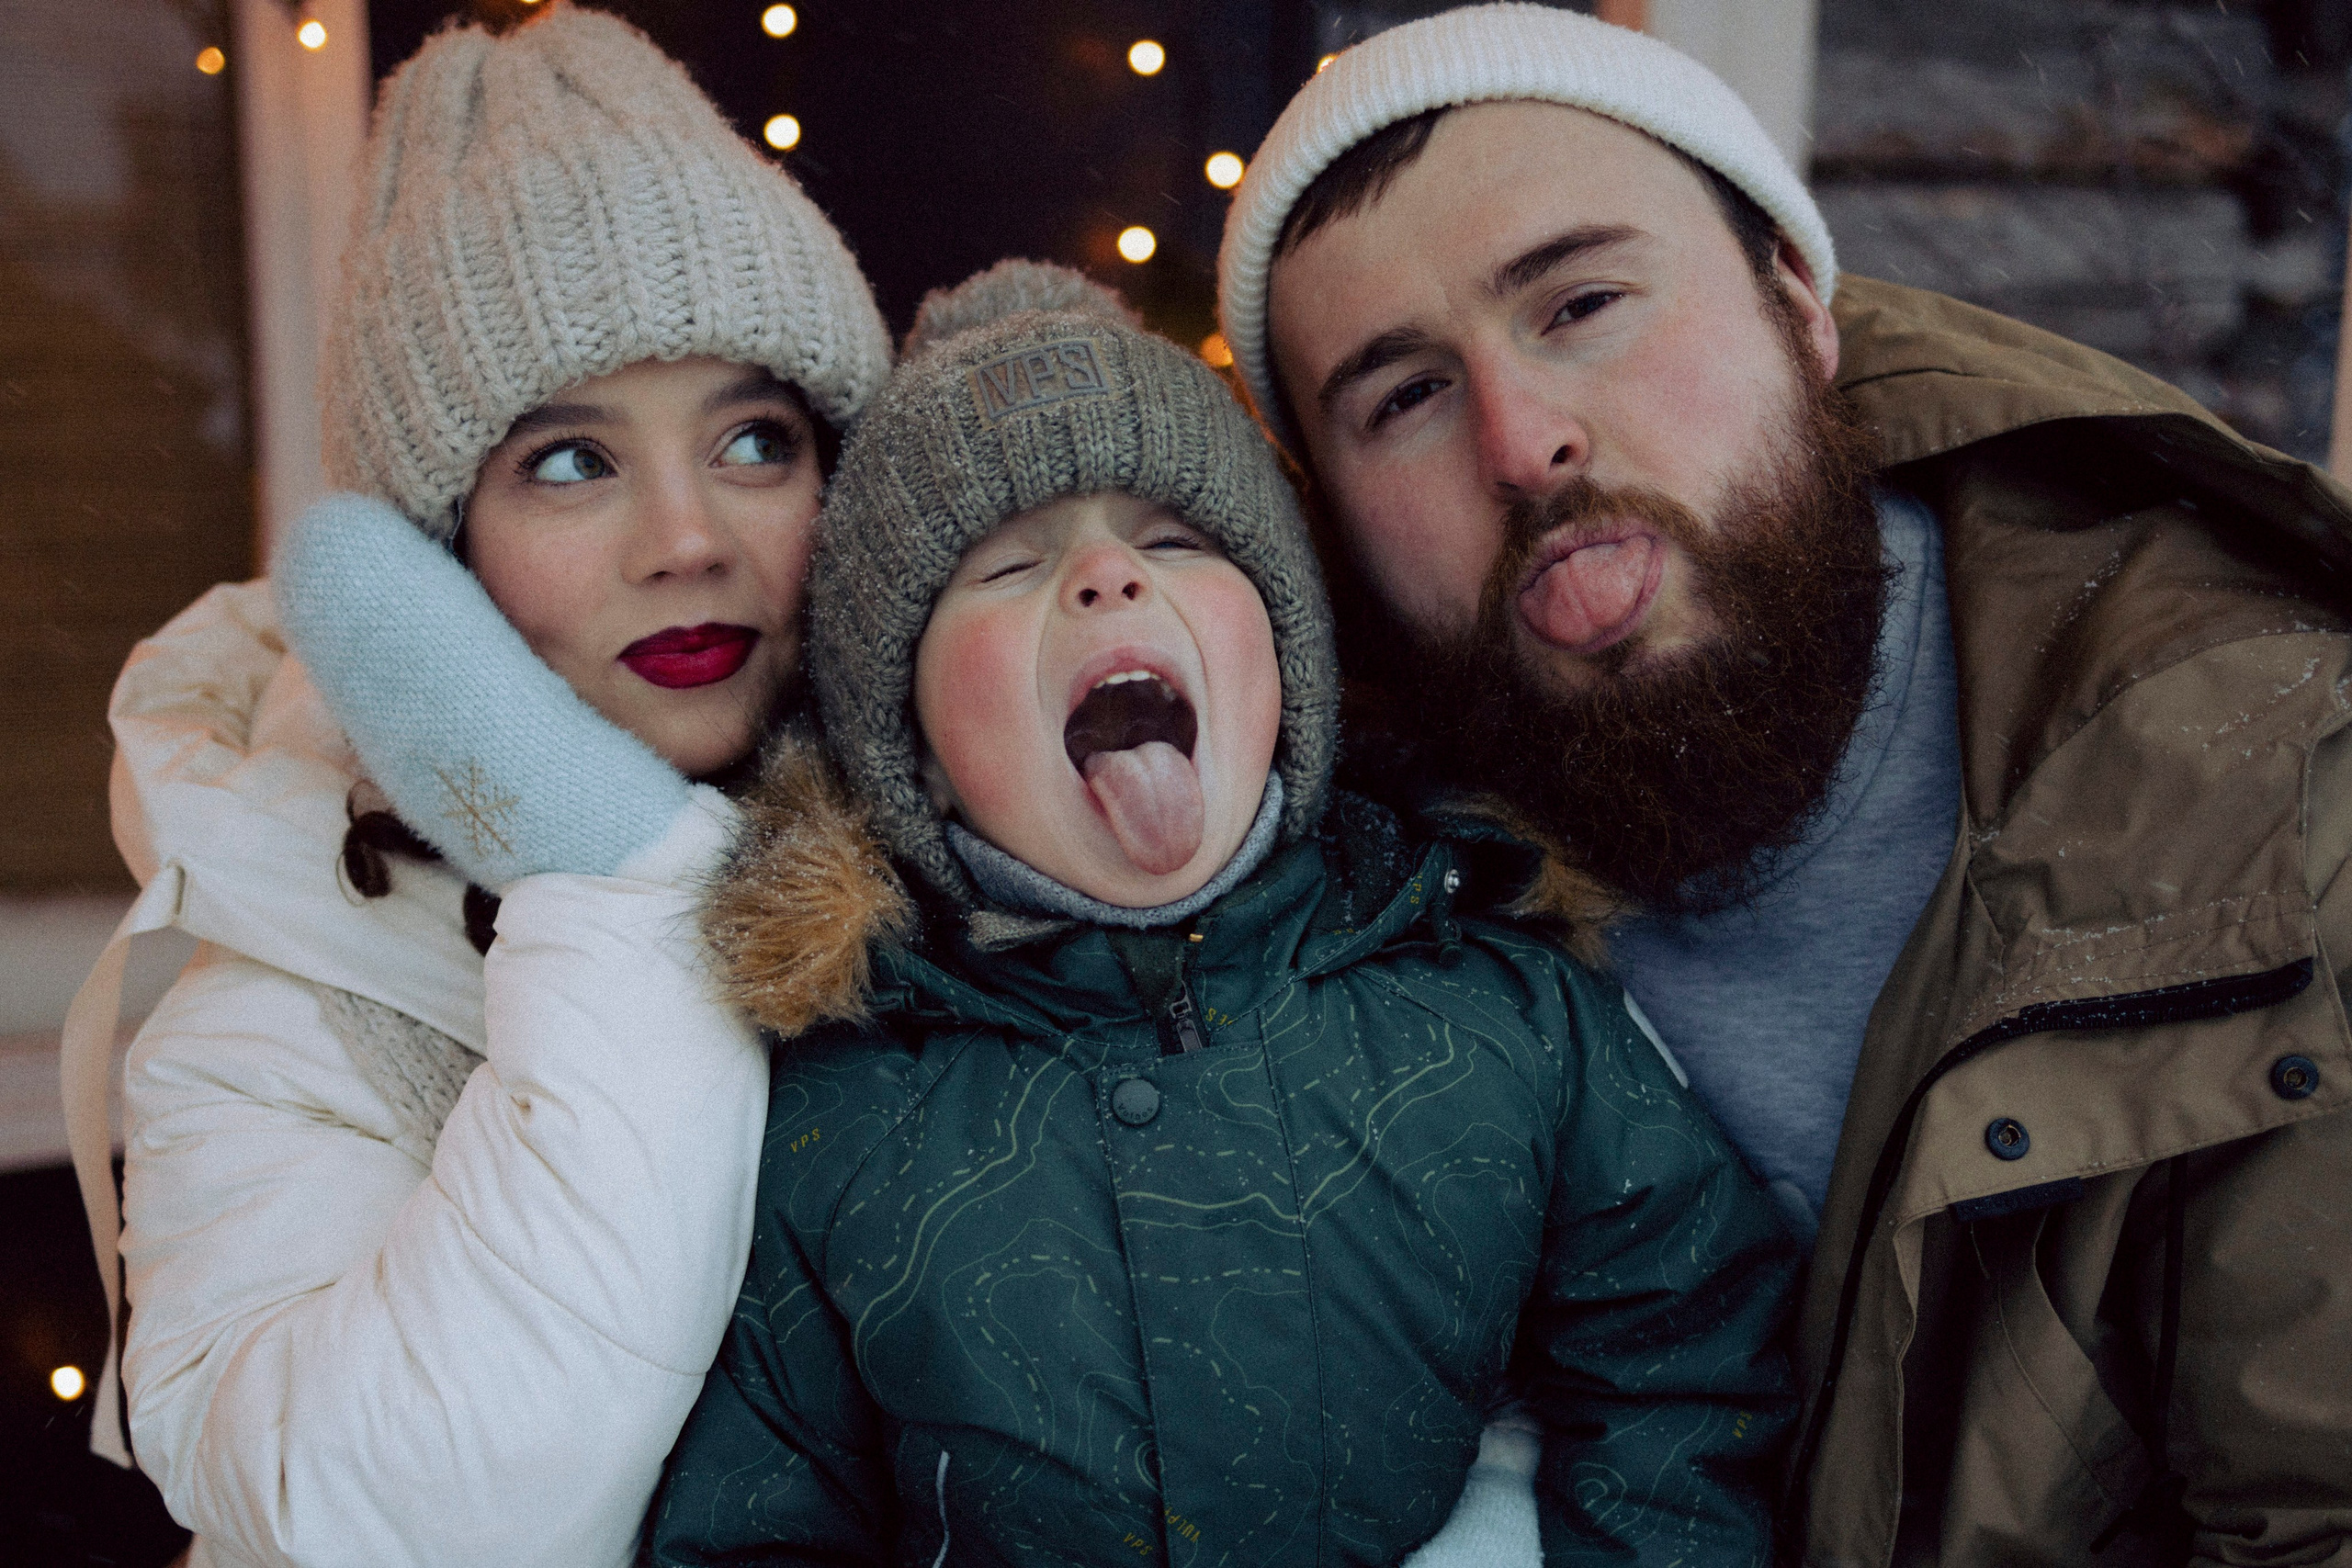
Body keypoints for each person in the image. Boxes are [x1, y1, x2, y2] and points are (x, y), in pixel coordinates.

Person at [1216, 4, 2352, 1563]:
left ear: (1800, 314)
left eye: (1584, 302)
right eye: (1401, 397)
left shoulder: (2270, 798)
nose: (1523, 439)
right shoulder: (1327, 902)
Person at [642, 261, 1798, 1566]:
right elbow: (757, 1518)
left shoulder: (1502, 1006)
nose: (1106, 578)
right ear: (910, 745)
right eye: (1011, 565)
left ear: (1290, 664)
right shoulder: (837, 1114)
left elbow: (1688, 1368)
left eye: (1179, 541)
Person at [59, 7, 889, 1565]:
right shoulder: (271, 1028)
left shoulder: (979, 864)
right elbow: (408, 1517)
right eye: (571, 461)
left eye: (758, 438)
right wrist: (619, 865)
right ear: (428, 559)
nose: (688, 537)